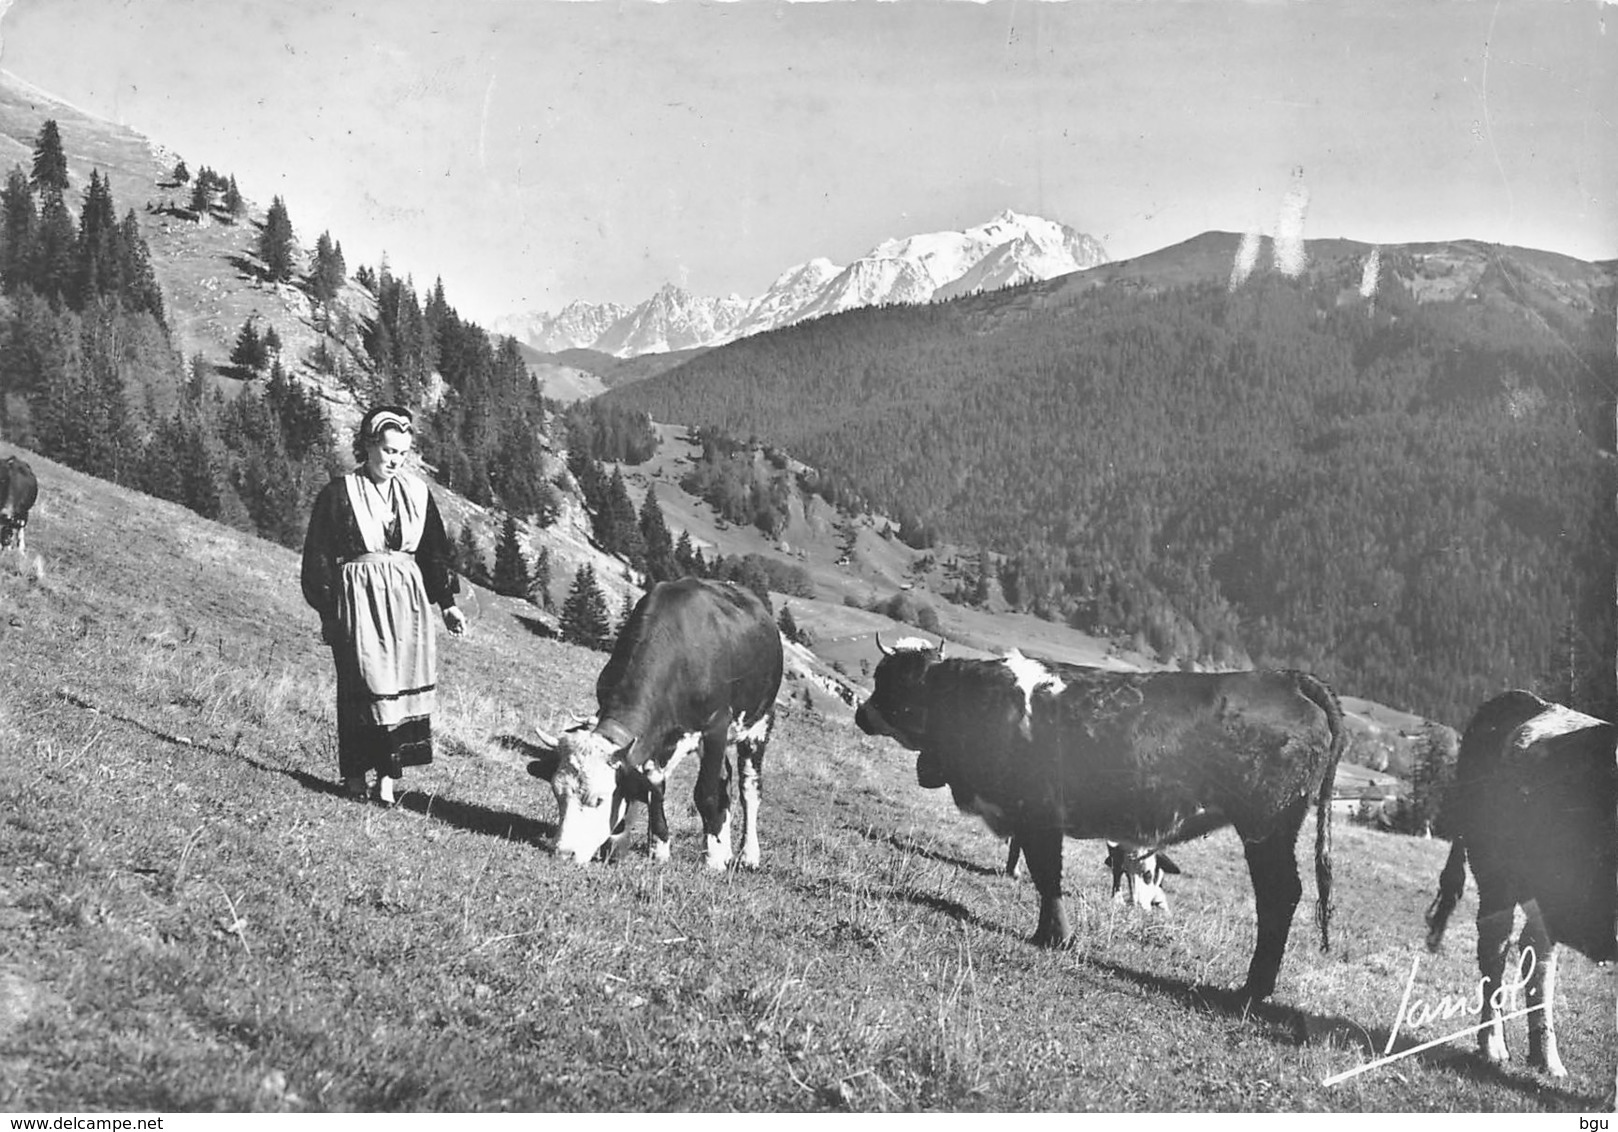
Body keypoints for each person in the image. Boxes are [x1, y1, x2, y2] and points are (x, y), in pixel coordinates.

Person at [301, 405, 466, 804]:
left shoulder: (417, 494)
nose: (394, 460)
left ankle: (388, 780)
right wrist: (327, 611)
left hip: (407, 604)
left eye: (402, 454)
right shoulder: (339, 492)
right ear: (369, 445)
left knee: (398, 686)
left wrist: (447, 604)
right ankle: (356, 775)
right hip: (359, 601)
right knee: (365, 684)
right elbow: (318, 555)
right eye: (388, 450)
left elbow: (433, 552)